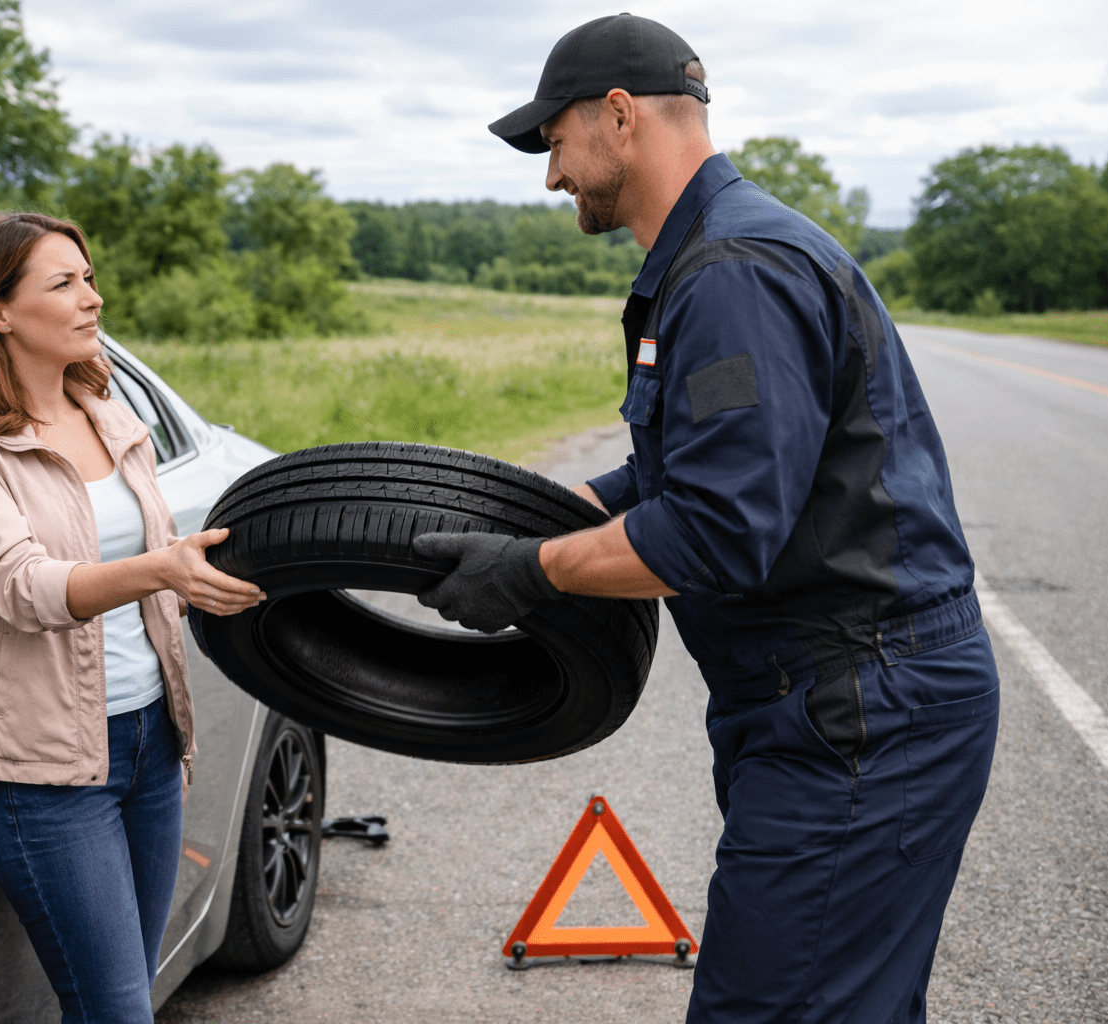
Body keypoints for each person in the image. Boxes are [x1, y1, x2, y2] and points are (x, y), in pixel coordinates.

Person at [414, 15, 999, 1023]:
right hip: (836, 702)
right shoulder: (717, 257)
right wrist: (540, 513)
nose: (553, 177)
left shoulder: (732, 273)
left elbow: (720, 533)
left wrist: (530, 569)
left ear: (621, 115)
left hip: (861, 713)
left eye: (553, 143)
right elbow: (681, 475)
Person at [0, 212, 264, 1024]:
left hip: (152, 743)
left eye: (89, 278)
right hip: (54, 777)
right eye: (62, 283)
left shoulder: (106, 409)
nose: (91, 299)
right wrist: (158, 570)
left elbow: (163, 551)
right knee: (115, 1010)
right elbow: (22, 587)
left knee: (137, 989)